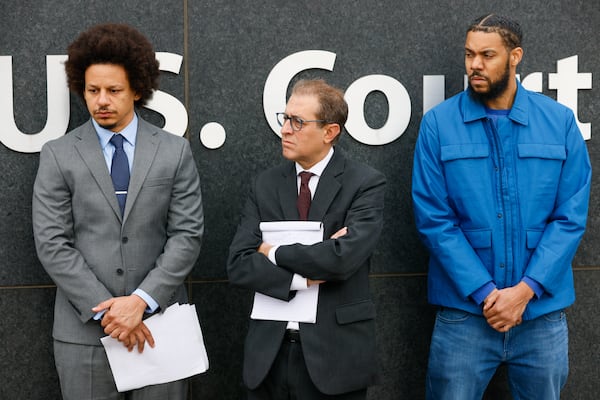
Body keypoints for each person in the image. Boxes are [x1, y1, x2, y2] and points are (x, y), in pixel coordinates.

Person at [412, 14, 591, 399]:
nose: (474, 65)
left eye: (487, 55)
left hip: (540, 315)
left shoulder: (558, 122)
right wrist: (486, 293)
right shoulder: (439, 124)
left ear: (515, 57)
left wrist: (525, 291)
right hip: (464, 316)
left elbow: (570, 217)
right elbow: (434, 219)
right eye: (469, 54)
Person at [32, 23, 204, 400]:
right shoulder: (59, 154)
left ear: (137, 90)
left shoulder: (174, 151)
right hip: (84, 337)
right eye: (93, 91)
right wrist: (110, 314)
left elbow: (187, 235)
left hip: (161, 328)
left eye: (113, 90)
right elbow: (52, 243)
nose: (101, 101)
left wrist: (141, 301)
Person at [227, 79, 386, 400]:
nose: (286, 129)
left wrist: (271, 251)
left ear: (330, 132)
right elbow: (239, 264)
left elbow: (342, 259)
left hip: (335, 357)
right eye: (284, 119)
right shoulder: (265, 185)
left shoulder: (364, 183)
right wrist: (308, 274)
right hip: (269, 357)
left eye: (297, 122)